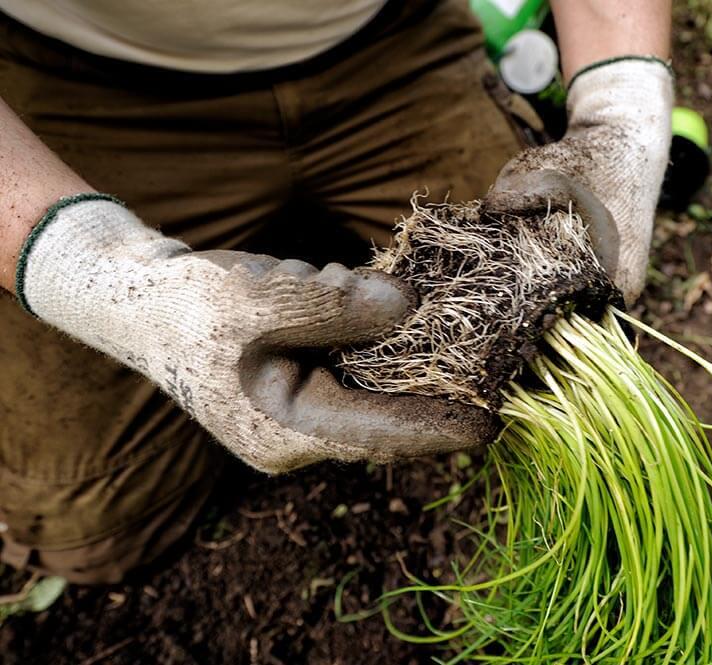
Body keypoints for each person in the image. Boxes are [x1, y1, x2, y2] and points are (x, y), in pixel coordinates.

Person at [0, 0, 673, 583]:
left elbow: (618, 112)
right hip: (84, 81)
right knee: (94, 533)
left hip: (386, 49)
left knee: (564, 350)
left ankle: (302, 240)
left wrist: (622, 107)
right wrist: (94, 272)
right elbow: (89, 271)